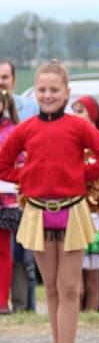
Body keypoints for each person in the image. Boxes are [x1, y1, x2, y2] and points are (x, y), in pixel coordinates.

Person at [0, 60, 99, 343]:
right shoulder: (25, 129)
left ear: (66, 93)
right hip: (38, 213)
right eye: (42, 89)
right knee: (50, 287)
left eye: (54, 90)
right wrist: (26, 178)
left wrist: (78, 175)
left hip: (73, 211)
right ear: (34, 92)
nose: (48, 95)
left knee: (69, 287)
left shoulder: (79, 127)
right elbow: (3, 163)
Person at [0, 59, 38, 310]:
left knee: (26, 256)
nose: (1, 82)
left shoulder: (31, 108)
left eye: (4, 77)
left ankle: (26, 305)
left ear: (14, 79)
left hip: (17, 197)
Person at [71, 96, 99, 312]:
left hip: (96, 222)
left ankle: (93, 317)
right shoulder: (70, 146)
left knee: (93, 281)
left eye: (81, 110)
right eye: (74, 110)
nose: (76, 115)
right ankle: (75, 319)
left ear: (93, 115)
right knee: (75, 284)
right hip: (73, 220)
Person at [0, 89, 20, 314]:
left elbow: (22, 160)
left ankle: (2, 301)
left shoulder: (13, 131)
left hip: (5, 201)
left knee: (3, 251)